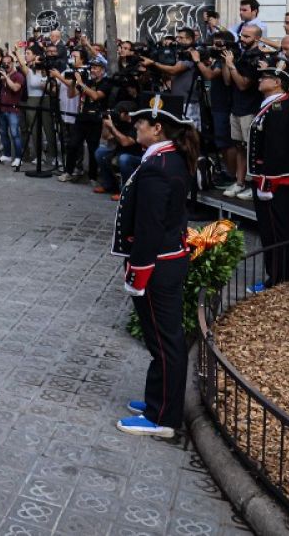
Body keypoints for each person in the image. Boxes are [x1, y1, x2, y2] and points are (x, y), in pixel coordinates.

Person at [113, 105, 199, 440]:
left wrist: (139, 271)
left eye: (141, 123)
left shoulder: (158, 167)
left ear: (158, 129)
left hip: (157, 264)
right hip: (166, 259)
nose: (135, 127)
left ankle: (163, 417)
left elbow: (149, 226)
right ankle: (158, 401)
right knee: (162, 339)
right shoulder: (168, 158)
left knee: (165, 342)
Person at [247, 68, 289, 291]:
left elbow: (277, 148)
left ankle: (278, 280)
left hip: (272, 180)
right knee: (270, 230)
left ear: (277, 82)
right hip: (268, 177)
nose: (259, 79)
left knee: (275, 231)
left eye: (265, 77)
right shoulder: (273, 105)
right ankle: (276, 276)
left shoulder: (278, 109)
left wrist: (268, 181)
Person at [222, 25, 269, 198]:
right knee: (240, 147)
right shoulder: (241, 54)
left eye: (247, 37)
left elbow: (243, 84)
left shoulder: (258, 58)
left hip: (250, 109)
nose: (242, 39)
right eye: (241, 35)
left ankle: (253, 184)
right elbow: (228, 81)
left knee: (253, 149)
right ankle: (240, 182)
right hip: (236, 108)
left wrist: (232, 66)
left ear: (257, 39)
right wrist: (228, 64)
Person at [95, 102, 142, 198]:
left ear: (126, 114)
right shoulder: (120, 121)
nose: (116, 114)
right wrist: (105, 124)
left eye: (119, 112)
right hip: (120, 152)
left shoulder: (137, 124)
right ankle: (108, 185)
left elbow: (126, 142)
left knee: (124, 159)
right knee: (100, 152)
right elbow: (106, 137)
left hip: (137, 156)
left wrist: (112, 127)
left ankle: (125, 191)